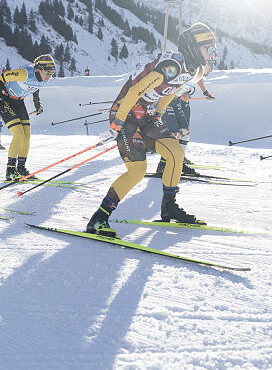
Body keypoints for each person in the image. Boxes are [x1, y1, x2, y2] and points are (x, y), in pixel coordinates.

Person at [86, 23, 218, 237]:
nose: (212, 55)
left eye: (213, 50)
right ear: (195, 47)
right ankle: (98, 219)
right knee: (137, 171)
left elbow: (172, 89)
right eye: (209, 49)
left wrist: (159, 110)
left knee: (176, 153)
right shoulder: (172, 65)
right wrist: (116, 124)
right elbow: (135, 89)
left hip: (146, 114)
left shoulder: (190, 69)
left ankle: (169, 208)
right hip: (127, 114)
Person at [0, 54, 55, 179]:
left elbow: (36, 87)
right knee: (18, 135)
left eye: (52, 73)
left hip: (19, 102)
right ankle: (10, 171)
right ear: (39, 69)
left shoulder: (42, 79)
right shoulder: (23, 73)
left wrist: (37, 104)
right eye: (48, 73)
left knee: (26, 137)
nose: (50, 77)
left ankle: (21, 168)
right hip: (6, 99)